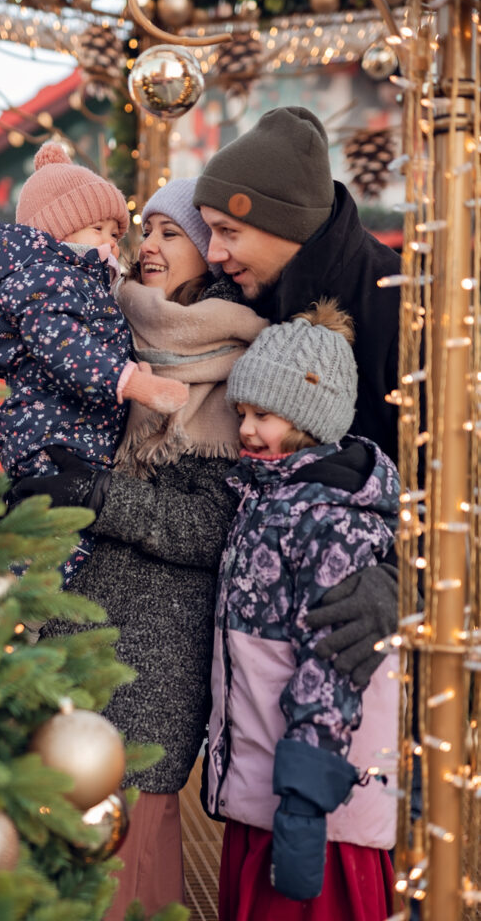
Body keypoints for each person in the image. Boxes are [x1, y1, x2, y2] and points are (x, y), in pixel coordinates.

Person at [9, 177, 267, 918]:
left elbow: (215, 530)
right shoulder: (105, 342)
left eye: (170, 233)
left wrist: (97, 494)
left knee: (129, 866)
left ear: (208, 255)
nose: (148, 247)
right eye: (143, 230)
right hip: (65, 633)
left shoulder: (237, 371)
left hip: (151, 659)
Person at [194, 106, 403, 687]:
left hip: (360, 639)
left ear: (287, 226)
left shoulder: (399, 304)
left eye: (229, 232)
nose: (213, 252)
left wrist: (402, 578)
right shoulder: (239, 298)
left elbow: (457, 477)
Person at [207, 300, 399, 921]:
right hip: (266, 786)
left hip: (315, 806)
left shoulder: (331, 521)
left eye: (263, 414)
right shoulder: (268, 498)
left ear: (311, 418)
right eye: (243, 413)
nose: (247, 430)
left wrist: (303, 803)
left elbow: (332, 663)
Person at [0, 143, 188, 580]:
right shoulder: (49, 277)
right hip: (54, 430)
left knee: (64, 530)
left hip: (72, 428)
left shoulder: (76, 281)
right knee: (56, 540)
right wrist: (132, 382)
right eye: (99, 228)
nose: (112, 242)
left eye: (116, 233)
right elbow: (62, 343)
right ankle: (24, 609)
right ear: (58, 230)